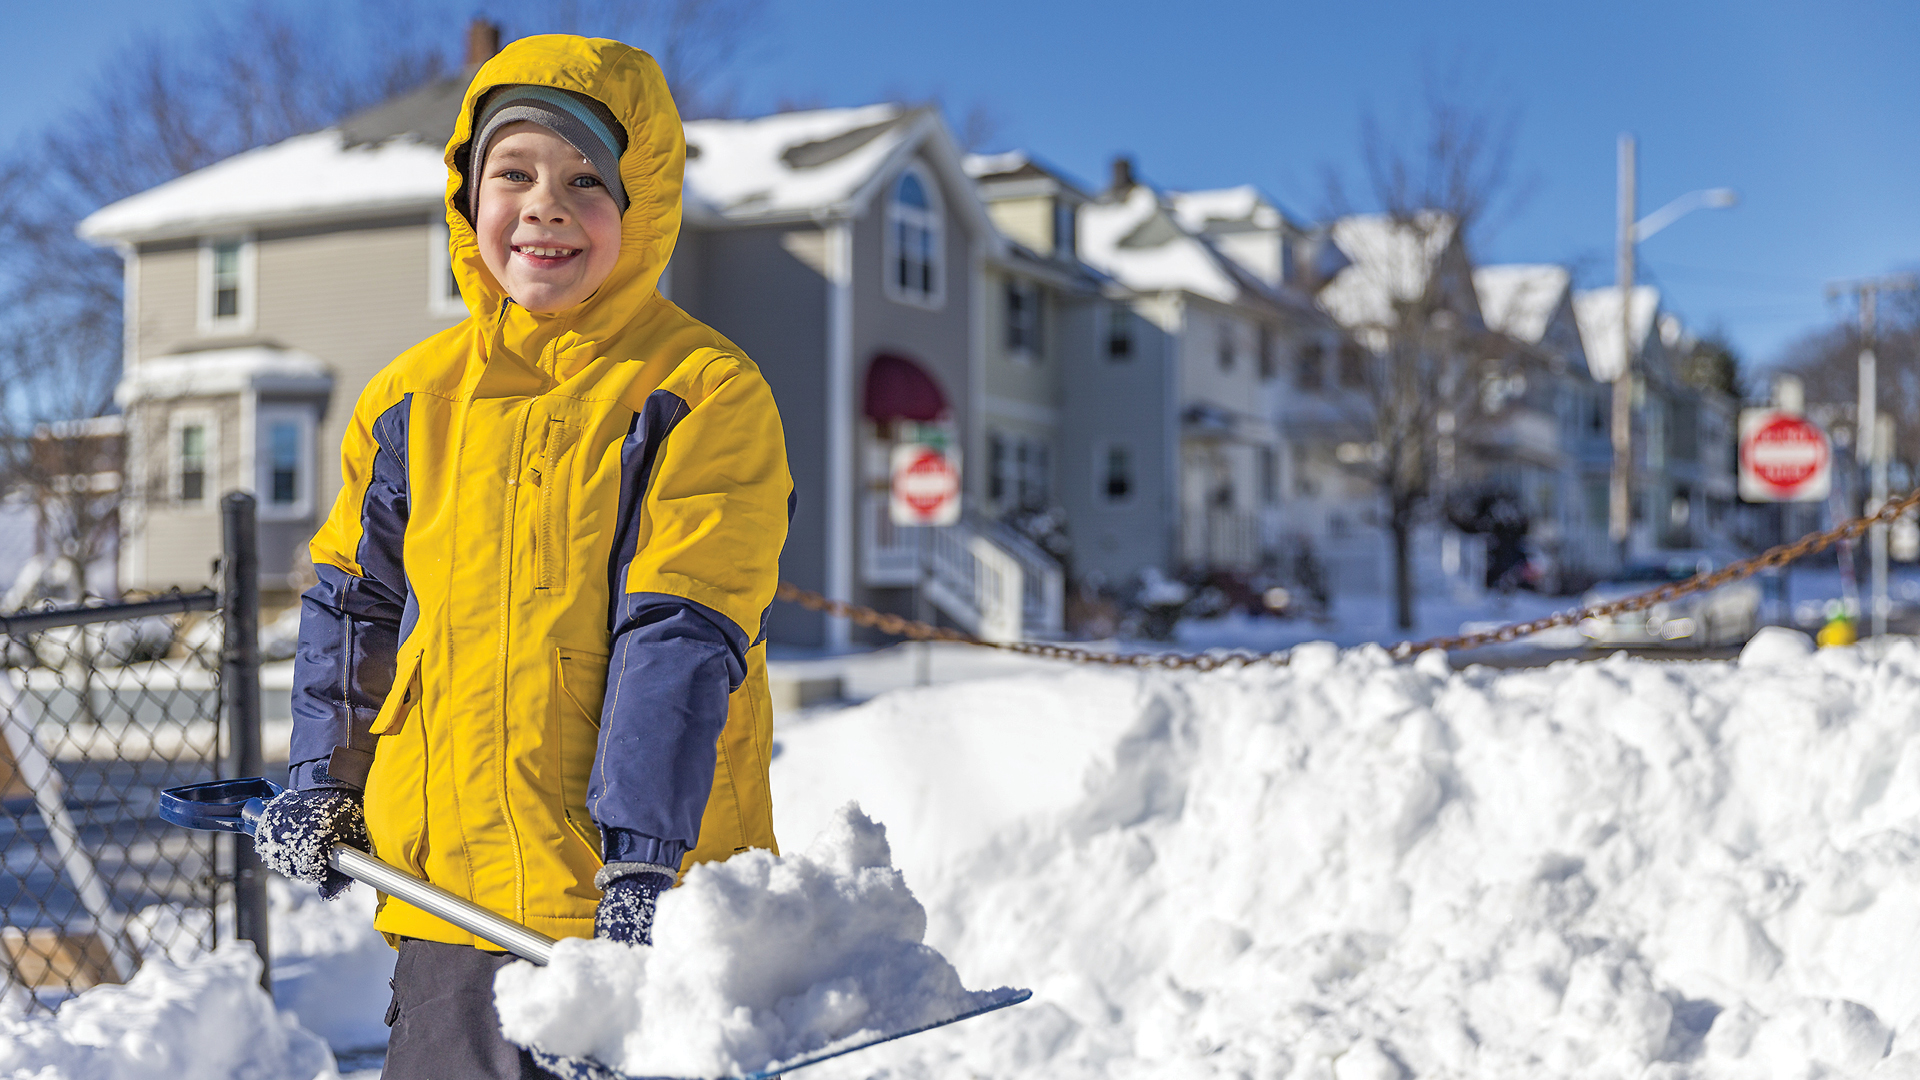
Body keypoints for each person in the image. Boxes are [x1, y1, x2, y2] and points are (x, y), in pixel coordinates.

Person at [251, 34, 791, 1080]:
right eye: (515, 173)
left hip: (626, 897)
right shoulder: (413, 399)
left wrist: (642, 861)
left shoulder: (702, 391)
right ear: (468, 194)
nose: (545, 206)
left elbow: (681, 627)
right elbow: (353, 606)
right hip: (444, 893)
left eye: (588, 180)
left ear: (643, 205)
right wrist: (323, 776)